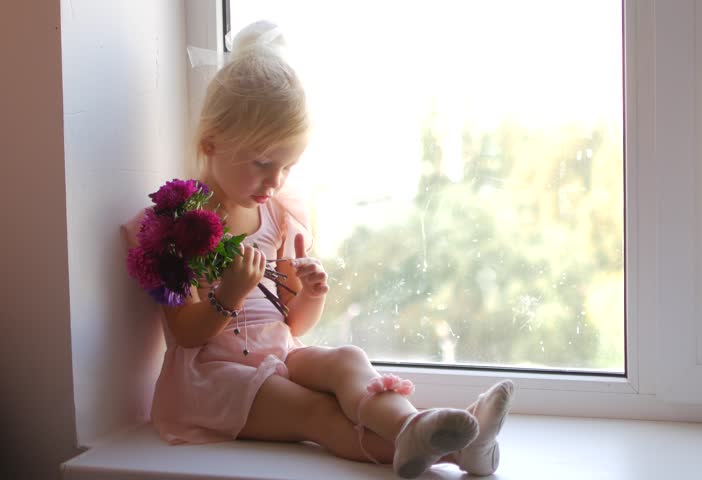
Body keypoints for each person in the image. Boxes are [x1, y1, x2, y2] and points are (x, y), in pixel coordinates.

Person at [126, 20, 514, 478]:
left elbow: (293, 324)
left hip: (277, 354)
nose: (275, 181)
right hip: (213, 377)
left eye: (287, 166)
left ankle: (417, 426)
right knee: (318, 412)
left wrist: (311, 294)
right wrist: (228, 294)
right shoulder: (177, 223)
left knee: (348, 361)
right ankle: (455, 450)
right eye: (263, 163)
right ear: (211, 142)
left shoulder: (276, 214)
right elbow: (186, 334)